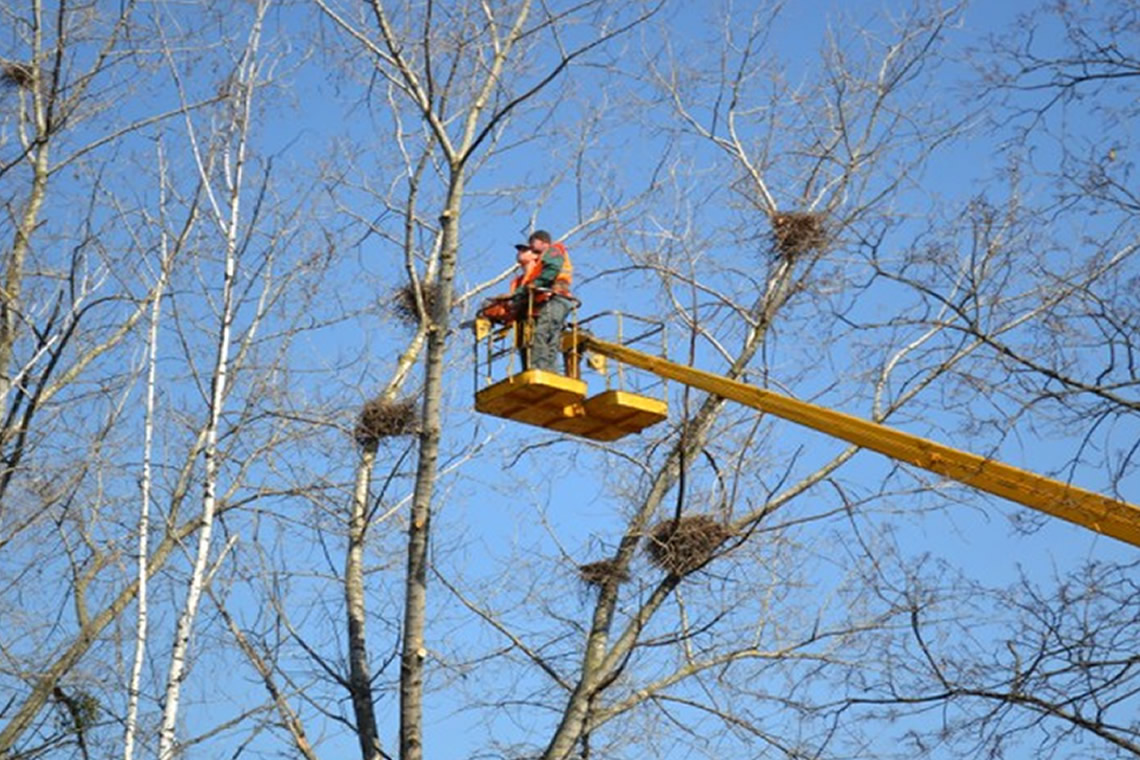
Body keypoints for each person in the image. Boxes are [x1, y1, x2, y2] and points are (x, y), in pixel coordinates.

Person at [511, 230, 573, 373]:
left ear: (542, 242)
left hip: (557, 298)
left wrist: (535, 285)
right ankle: (549, 370)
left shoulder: (553, 251)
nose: (531, 247)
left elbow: (552, 270)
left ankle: (541, 368)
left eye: (532, 244)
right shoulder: (543, 261)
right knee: (550, 335)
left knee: (543, 333)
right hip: (554, 299)